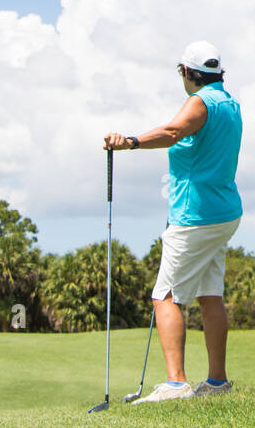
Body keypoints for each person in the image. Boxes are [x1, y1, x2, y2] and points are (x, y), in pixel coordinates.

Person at [104, 41, 243, 402]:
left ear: (187, 72)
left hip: (195, 216)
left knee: (166, 296)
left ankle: (176, 383)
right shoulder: (229, 102)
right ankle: (216, 382)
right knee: (209, 294)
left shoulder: (200, 102)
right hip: (223, 213)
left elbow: (172, 133)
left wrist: (130, 142)